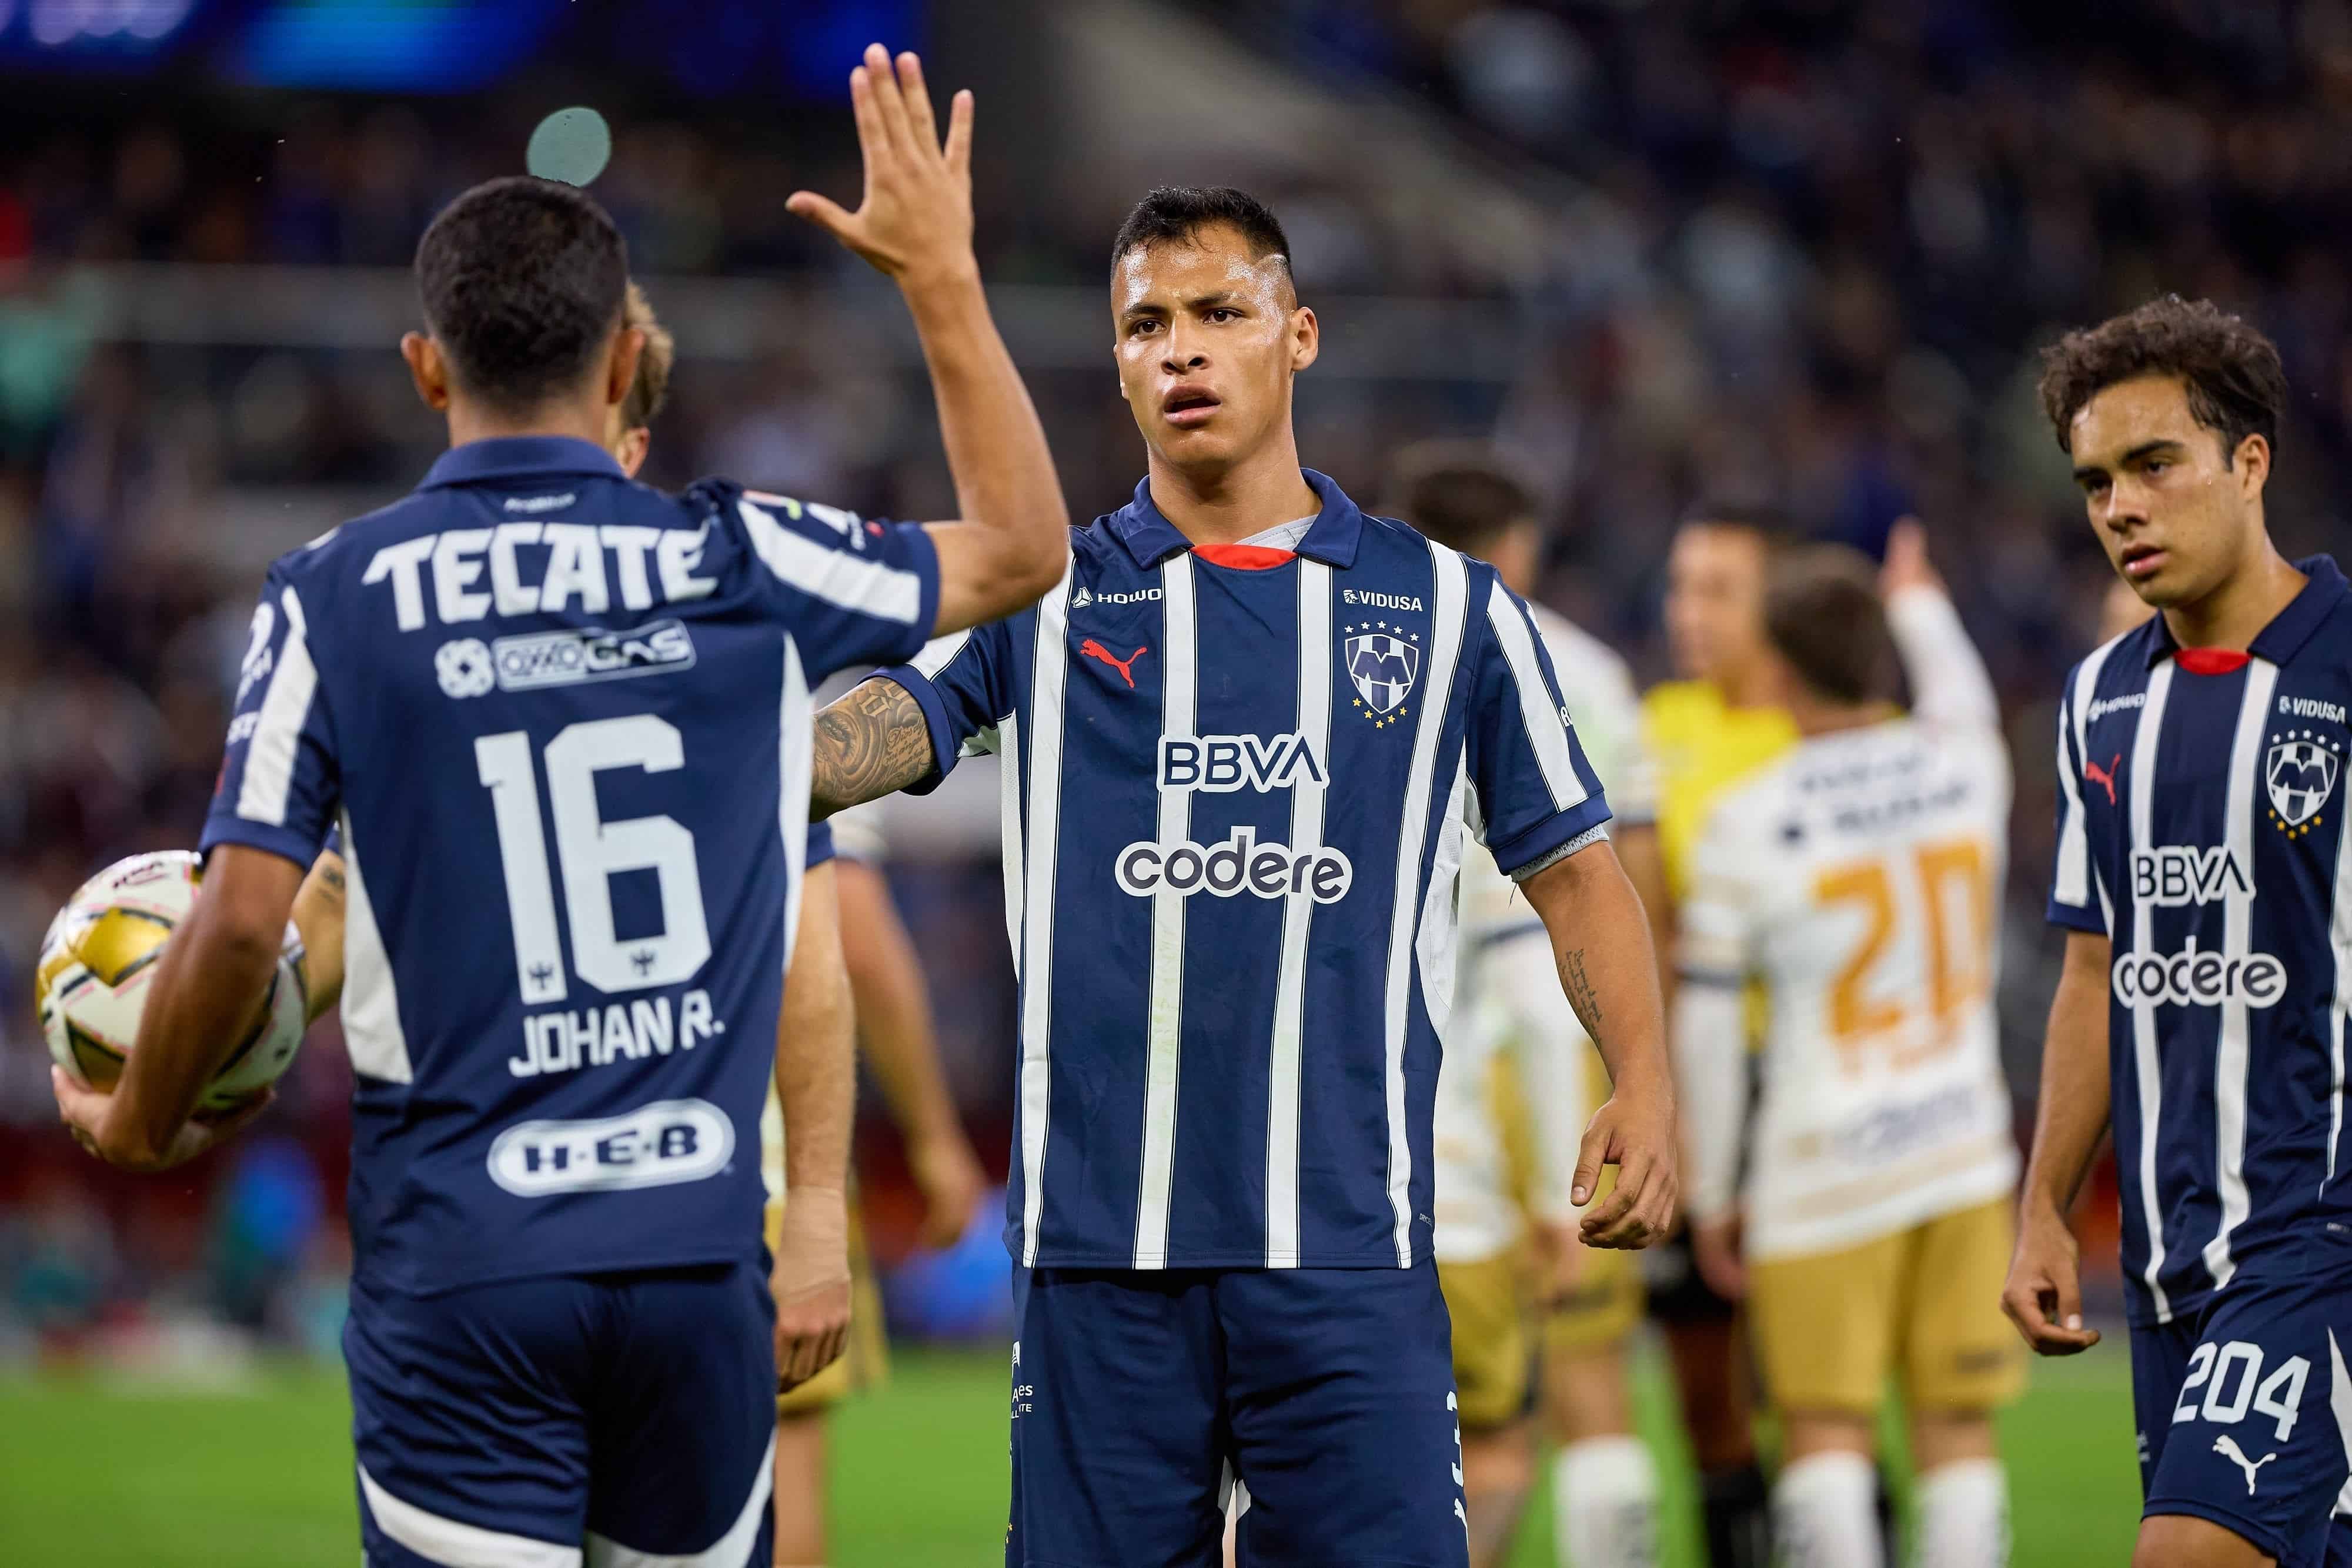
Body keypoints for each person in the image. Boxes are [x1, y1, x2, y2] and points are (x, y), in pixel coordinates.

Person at [51, 45, 1069, 1566]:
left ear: (422, 367)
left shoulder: (332, 597)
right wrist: (937, 274)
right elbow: (1020, 546)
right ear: (619, 367)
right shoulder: (739, 562)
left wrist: (142, 1118)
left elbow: (248, 911)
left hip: (465, 1271)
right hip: (689, 1268)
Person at [807, 185, 1680, 1565]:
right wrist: (715, 762)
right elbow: (880, 732)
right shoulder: (1043, 597)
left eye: (1219, 312)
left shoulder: (1447, 607)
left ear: (1299, 336)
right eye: (1144, 322)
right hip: (1098, 1261)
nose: (1180, 350)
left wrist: (1643, 1075)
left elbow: (1575, 871)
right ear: (1115, 359)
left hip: (1346, 1253)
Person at [269, 281, 989, 1565]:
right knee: (781, 1498)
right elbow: (831, 933)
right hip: (704, 1202)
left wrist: (199, 1051)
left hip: (504, 1228)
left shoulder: (396, 615)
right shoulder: (726, 623)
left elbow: (314, 907)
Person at [2006, 295, 2352, 1568]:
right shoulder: (2097, 699)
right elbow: (2092, 968)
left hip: (2317, 1233)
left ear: (2246, 462)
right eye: (2095, 480)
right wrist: (2043, 1203)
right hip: (2167, 1265)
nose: (2119, 507)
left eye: (2154, 464)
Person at [1678, 525, 2021, 1568]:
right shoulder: (1968, 759)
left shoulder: (1745, 821)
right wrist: (1916, 597)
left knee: (1825, 1431)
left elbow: (1703, 1029)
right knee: (1957, 1429)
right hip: (1964, 1152)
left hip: (1820, 1167)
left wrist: (1712, 1194)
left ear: (1775, 666)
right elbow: (1956, 682)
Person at [1386, 442, 1670, 1568]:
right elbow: (1634, 877)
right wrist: (1650, 1063)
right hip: (1564, 1031)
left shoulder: (1375, 638)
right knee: (1590, 1377)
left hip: (1432, 1049)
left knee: (1427, 1419)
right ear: (1518, 549)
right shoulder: (1592, 669)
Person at [1641, 503, 1802, 1567]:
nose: (1688, 614)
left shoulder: (1837, 732)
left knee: (1805, 1383)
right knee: (1704, 1389)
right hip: (1701, 1088)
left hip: (1808, 1091)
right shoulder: (1654, 727)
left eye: (1717, 590)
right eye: (1680, 587)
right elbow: (1648, 928)